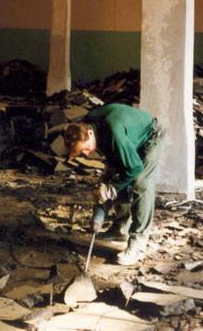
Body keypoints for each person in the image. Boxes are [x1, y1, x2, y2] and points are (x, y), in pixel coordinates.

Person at [64, 103, 166, 266]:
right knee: (116, 176)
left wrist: (110, 190)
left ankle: (138, 244)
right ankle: (120, 229)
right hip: (128, 138)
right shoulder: (87, 125)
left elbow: (135, 168)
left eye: (85, 149)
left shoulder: (114, 133)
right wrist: (108, 184)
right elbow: (115, 163)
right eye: (82, 152)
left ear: (89, 134)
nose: (86, 154)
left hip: (150, 135)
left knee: (140, 183)